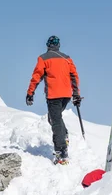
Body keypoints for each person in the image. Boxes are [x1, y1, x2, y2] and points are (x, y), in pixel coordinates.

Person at [26, 35, 81, 165]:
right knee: (54, 118)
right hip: (66, 95)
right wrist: (76, 94)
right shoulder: (67, 59)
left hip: (53, 95)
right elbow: (74, 76)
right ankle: (64, 135)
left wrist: (30, 93)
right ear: (59, 45)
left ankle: (61, 151)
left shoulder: (43, 58)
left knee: (55, 121)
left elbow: (36, 76)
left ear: (47, 45)